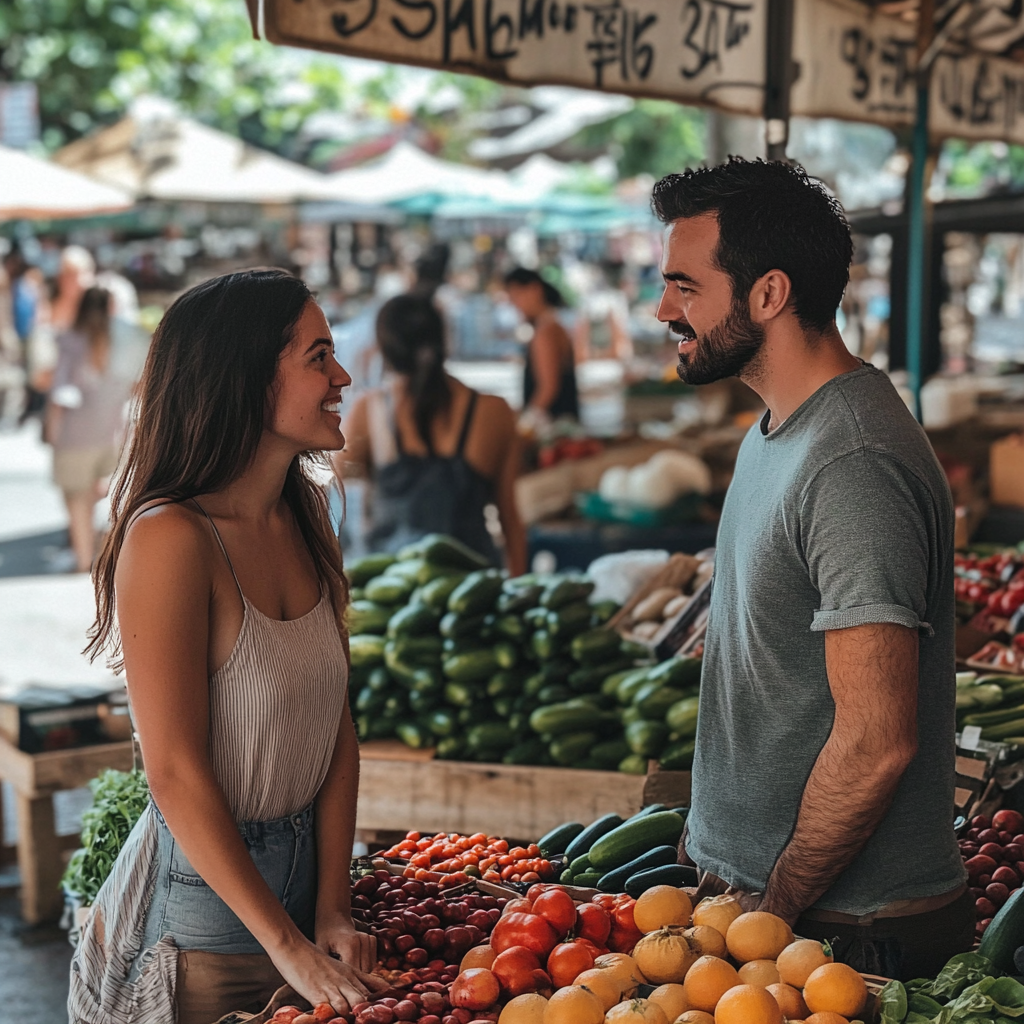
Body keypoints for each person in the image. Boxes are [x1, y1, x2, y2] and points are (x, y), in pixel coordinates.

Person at [654, 158, 970, 980]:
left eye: (685, 287)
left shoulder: (852, 461)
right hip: (776, 918)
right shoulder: (778, 431)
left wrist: (773, 909)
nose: (663, 312)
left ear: (768, 294)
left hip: (844, 938)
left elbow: (877, 739)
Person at [70, 270, 385, 1024]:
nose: (342, 376)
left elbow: (333, 726)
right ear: (244, 377)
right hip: (204, 918)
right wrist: (285, 944)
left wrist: (332, 909)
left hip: (305, 889)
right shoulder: (171, 539)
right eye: (318, 357)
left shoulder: (303, 513)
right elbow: (175, 772)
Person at [337, 293, 527, 574]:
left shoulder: (371, 410)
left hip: (391, 597)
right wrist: (517, 591)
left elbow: (338, 480)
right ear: (443, 339)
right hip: (473, 597)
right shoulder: (494, 412)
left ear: (384, 348)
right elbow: (510, 517)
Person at [46, 288, 134, 572]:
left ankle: (84, 560)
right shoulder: (125, 341)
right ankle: (113, 555)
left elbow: (60, 392)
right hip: (112, 434)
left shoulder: (69, 340)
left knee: (76, 502)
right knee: (112, 494)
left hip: (75, 435)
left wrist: (52, 431)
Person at [504, 267, 579, 427]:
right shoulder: (554, 324)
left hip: (554, 428)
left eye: (516, 296)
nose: (515, 305)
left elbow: (548, 388)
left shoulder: (545, 331)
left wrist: (525, 424)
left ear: (534, 289)